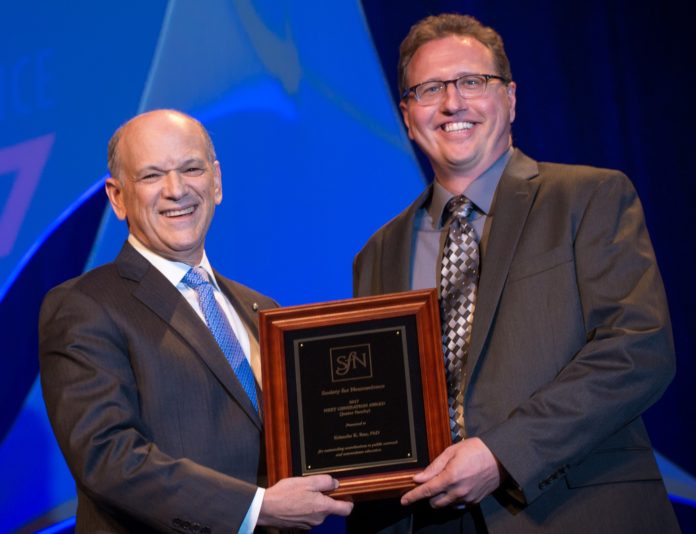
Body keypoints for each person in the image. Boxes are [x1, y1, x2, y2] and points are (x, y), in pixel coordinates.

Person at [351, 13, 679, 533]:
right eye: (430, 88)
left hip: (574, 514)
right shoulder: (376, 254)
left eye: (472, 82)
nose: (452, 102)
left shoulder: (587, 198)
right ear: (408, 117)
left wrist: (503, 453)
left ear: (510, 99)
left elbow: (638, 349)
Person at [39, 109, 353, 532]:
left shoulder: (262, 308)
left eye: (191, 169)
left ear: (216, 181)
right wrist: (255, 508)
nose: (176, 190)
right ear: (117, 197)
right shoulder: (84, 306)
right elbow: (107, 456)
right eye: (151, 176)